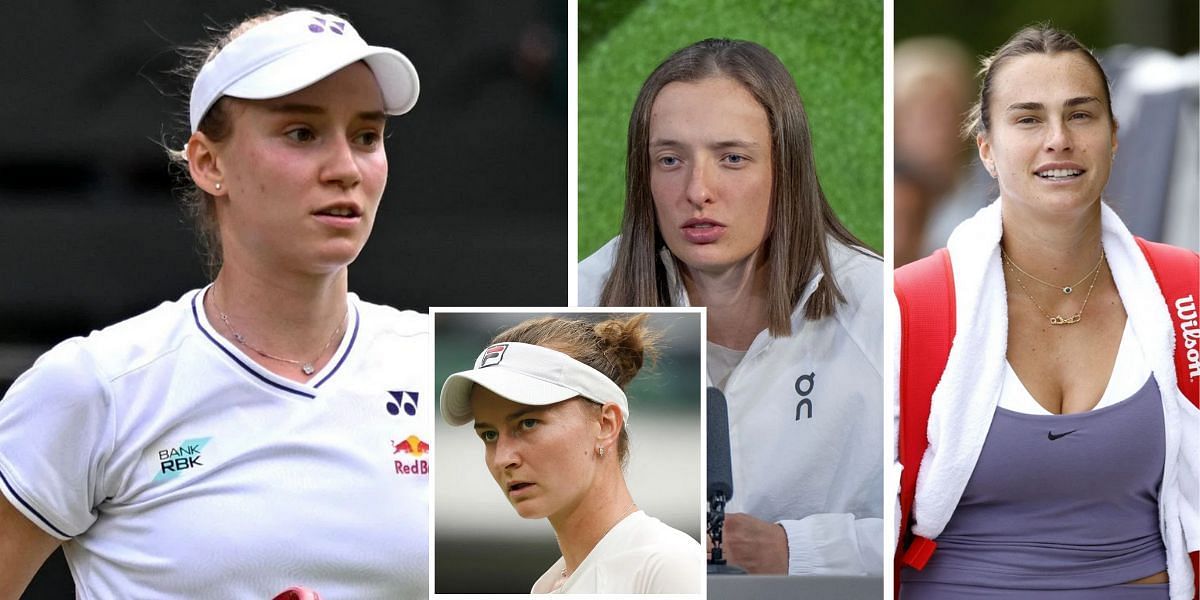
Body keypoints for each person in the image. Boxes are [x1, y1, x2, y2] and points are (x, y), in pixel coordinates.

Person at [0, 8, 430, 598]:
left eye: (366, 136)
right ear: (208, 162)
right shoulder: (98, 385)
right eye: (302, 133)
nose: (346, 169)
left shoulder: (438, 369)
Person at [893, 26, 1199, 599]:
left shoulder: (1187, 291)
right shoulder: (909, 305)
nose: (1058, 139)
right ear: (986, 148)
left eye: (1081, 115)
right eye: (1028, 118)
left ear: (1114, 138)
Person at [578, 39, 884, 576]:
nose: (698, 190)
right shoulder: (580, 299)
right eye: (670, 160)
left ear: (785, 169)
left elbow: (942, 523)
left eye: (733, 158)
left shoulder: (881, 307)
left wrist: (798, 550)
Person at [439, 314, 704, 594]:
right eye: (489, 435)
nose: (503, 458)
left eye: (528, 423)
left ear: (605, 424)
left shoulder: (670, 567)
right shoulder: (545, 588)